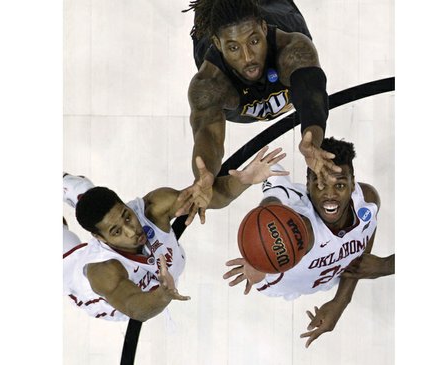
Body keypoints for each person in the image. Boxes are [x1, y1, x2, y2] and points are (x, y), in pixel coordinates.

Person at [62, 147, 288, 322]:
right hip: (75, 276)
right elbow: (134, 306)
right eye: (117, 231)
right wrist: (162, 295)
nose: (132, 231)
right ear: (100, 238)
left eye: (127, 216)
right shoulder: (102, 271)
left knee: (86, 193)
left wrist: (242, 181)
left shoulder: (153, 207)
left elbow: (212, 198)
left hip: (142, 275)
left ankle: (70, 185)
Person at [180, 0, 342, 225]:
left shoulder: (293, 48)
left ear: (265, 29)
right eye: (233, 47)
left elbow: (311, 96)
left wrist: (312, 138)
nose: (248, 57)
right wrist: (204, 176)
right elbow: (208, 141)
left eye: (254, 41)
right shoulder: (210, 85)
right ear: (218, 44)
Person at [222, 137, 395, 347]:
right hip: (280, 281)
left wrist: (341, 301)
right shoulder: (304, 228)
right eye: (320, 184)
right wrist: (259, 254)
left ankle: (273, 175)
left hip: (324, 277)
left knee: (277, 181)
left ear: (353, 184)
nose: (330, 194)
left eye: (340, 185)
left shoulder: (367, 200)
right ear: (308, 186)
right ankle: (270, 175)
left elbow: (364, 234)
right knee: (276, 186)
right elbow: (273, 209)